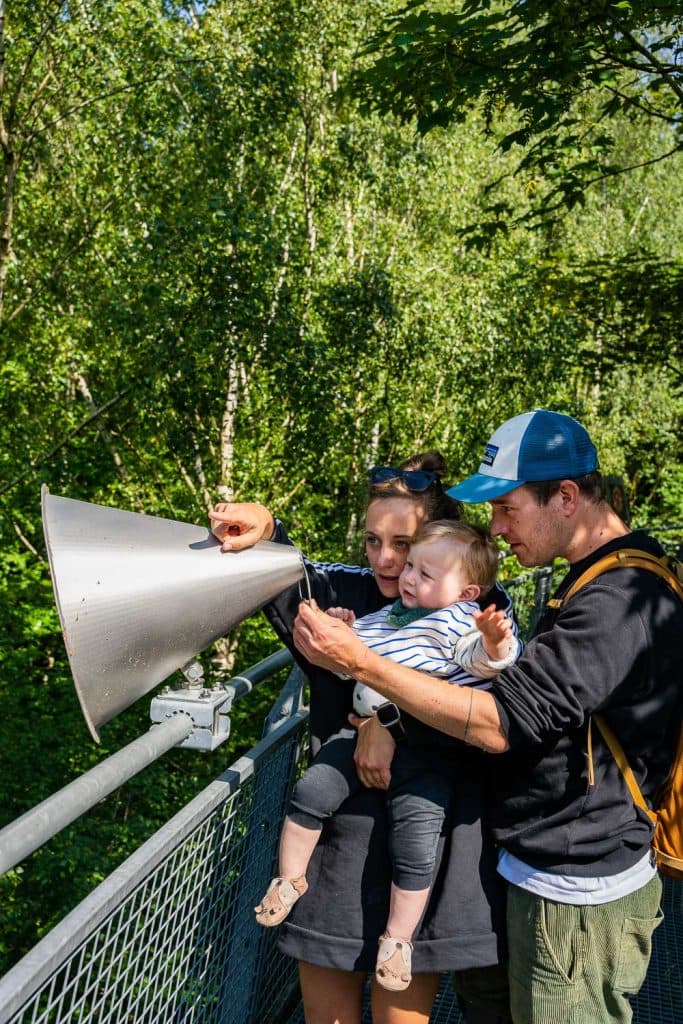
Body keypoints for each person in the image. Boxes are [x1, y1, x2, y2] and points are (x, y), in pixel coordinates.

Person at [292, 410, 683, 1024]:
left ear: (567, 498)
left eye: (507, 508)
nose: (496, 529)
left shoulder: (622, 599)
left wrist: (365, 666)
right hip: (533, 869)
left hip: (575, 890)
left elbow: (502, 720)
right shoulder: (589, 578)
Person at [210, 453, 515, 1024]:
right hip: (340, 831)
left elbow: (486, 711)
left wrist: (387, 721)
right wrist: (266, 526)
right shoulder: (342, 591)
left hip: (425, 832)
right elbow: (284, 565)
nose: (387, 561)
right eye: (373, 541)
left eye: (404, 545)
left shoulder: (477, 609)